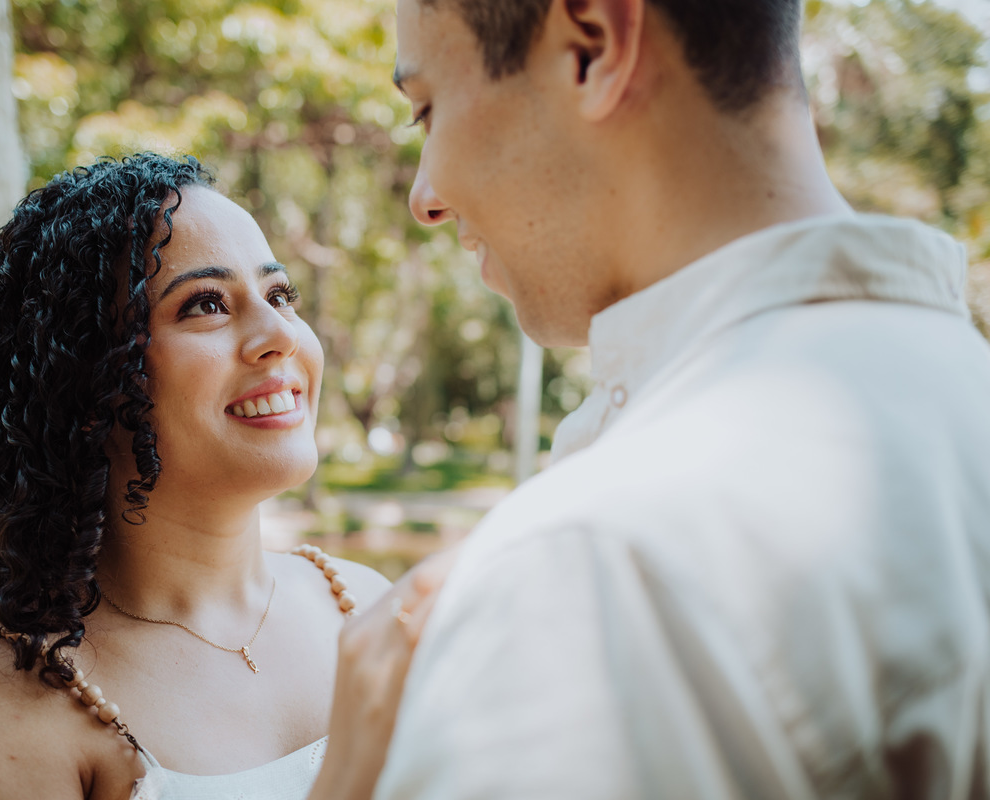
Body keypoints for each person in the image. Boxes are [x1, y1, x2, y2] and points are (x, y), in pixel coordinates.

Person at [378, 0, 990, 797]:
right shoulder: (962, 390)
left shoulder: (598, 575)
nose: (424, 197)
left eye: (428, 109)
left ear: (592, 47)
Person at [0, 153, 443, 800]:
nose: (280, 335)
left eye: (279, 295)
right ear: (86, 379)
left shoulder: (365, 601)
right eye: (206, 304)